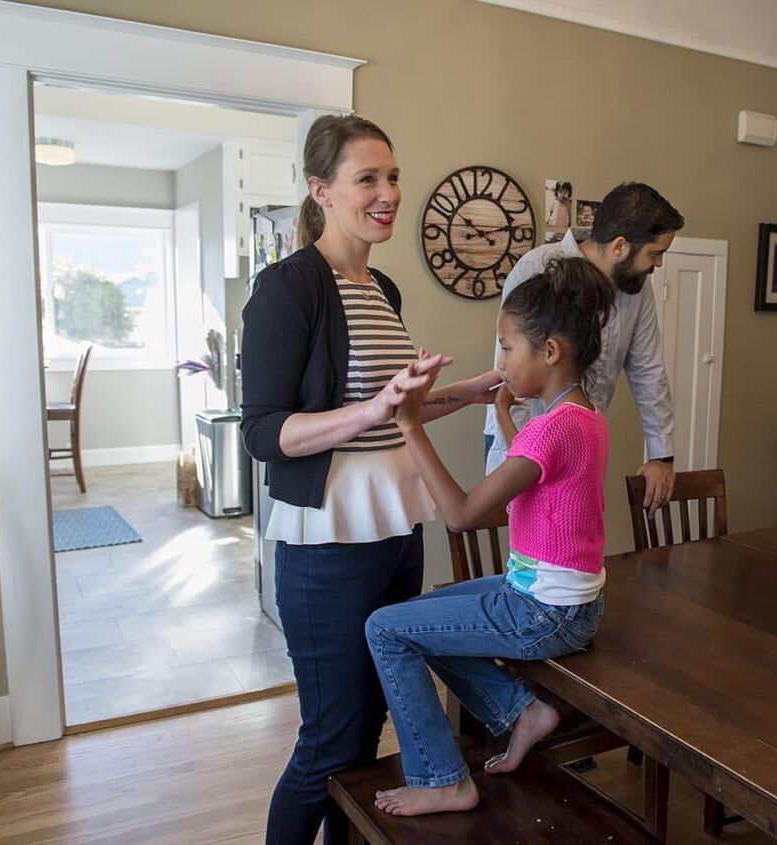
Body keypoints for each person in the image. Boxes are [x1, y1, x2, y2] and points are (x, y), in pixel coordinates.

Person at [240, 114, 501, 845]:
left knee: (368, 735)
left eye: (392, 176)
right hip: (328, 547)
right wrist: (372, 408)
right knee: (331, 742)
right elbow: (266, 431)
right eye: (368, 179)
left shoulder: (379, 284)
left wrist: (471, 389)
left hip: (394, 533)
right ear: (320, 190)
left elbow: (397, 410)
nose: (388, 193)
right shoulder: (289, 288)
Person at [365, 257, 614, 817]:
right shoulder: (583, 416)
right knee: (423, 618)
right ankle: (521, 711)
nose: (498, 360)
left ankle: (442, 778)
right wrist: (503, 410)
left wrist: (409, 424)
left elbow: (460, 514)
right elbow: (538, 468)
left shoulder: (552, 431)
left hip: (541, 612)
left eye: (506, 348)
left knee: (385, 629)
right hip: (563, 604)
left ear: (548, 352)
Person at [483, 182, 685, 515]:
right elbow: (512, 371)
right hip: (522, 440)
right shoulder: (538, 268)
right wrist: (512, 456)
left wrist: (662, 455)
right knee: (529, 549)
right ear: (619, 246)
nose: (659, 264)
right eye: (655, 253)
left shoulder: (638, 290)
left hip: (581, 445)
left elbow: (648, 370)